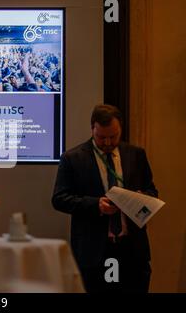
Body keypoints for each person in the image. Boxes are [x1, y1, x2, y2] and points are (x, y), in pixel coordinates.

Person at [52, 104, 158, 293]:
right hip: (94, 252)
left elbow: (152, 191)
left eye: (113, 136)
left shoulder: (136, 154)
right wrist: (96, 205)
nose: (108, 142)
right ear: (92, 128)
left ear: (121, 129)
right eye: (102, 137)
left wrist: (143, 198)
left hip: (132, 250)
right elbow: (59, 198)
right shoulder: (73, 158)